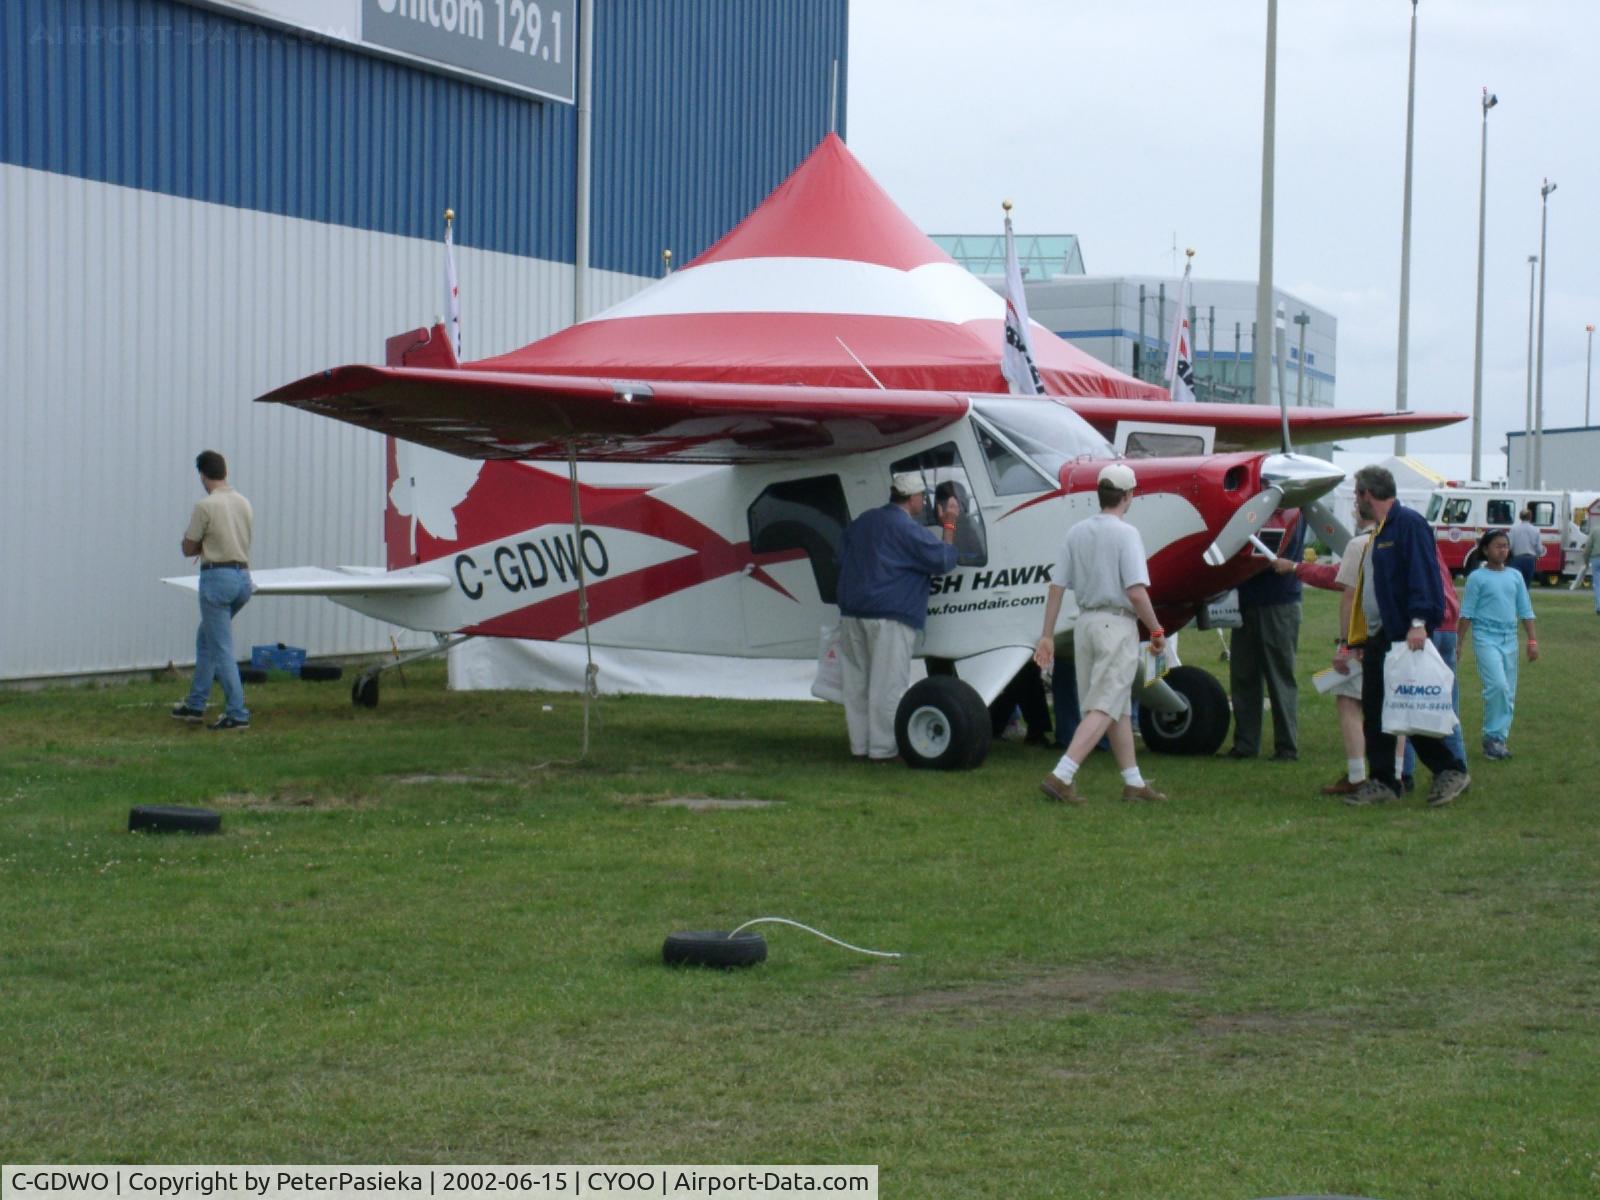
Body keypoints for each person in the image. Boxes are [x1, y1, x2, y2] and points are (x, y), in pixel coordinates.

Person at [1033, 462, 1168, 804]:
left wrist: (1047, 634)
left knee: (1115, 703)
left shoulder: (1076, 531)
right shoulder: (1127, 534)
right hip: (1116, 624)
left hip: (1085, 624)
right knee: (1105, 705)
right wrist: (1156, 629)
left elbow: (1057, 586)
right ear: (1127, 496)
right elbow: (1136, 591)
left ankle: (1133, 782)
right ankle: (1062, 774)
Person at [1343, 465, 1470, 807]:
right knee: (1378, 710)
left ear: (1369, 494)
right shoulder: (1381, 531)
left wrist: (1418, 622)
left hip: (1402, 633)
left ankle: (1451, 768)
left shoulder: (1408, 525)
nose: (1356, 502)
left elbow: (1422, 573)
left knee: (1408, 708)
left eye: (1357, 495)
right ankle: (1384, 781)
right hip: (1378, 635)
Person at [835, 471, 958, 762]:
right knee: (887, 685)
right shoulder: (907, 528)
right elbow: (943, 559)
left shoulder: (864, 521)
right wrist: (950, 523)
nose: (923, 502)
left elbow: (840, 557)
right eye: (922, 498)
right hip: (890, 615)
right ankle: (883, 749)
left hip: (852, 612)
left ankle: (860, 746)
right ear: (913, 498)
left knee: (857, 684)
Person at [1274, 506, 1371, 795]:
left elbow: (1347, 590)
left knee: (1348, 702)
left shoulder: (1360, 544)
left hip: (1365, 636)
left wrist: (1346, 644)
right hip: (1400, 634)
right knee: (1392, 707)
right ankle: (1399, 772)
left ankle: (1358, 775)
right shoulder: (1404, 539)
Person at [172, 450, 254, 731]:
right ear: (224, 472)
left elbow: (188, 547)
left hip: (216, 578)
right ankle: (195, 703)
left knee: (221, 647)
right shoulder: (243, 502)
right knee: (206, 639)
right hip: (243, 577)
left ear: (203, 475)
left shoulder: (205, 506)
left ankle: (237, 712)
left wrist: (195, 544)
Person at [1225, 513, 1307, 761]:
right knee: (1243, 674)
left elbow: (1260, 557)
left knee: (1279, 675)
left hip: (1277, 602)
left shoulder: (1287, 514)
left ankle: (1286, 747)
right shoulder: (1260, 512)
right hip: (1249, 600)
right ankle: (1246, 744)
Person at [1458, 528, 1538, 760]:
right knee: (1498, 686)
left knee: (1508, 690)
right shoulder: (1477, 577)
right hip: (1485, 638)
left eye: (1505, 546)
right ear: (1485, 549)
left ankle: (1498, 740)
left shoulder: (1515, 576)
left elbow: (1525, 610)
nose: (1503, 550)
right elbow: (1467, 612)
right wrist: (1459, 642)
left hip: (1509, 638)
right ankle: (1492, 736)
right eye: (1497, 546)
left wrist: (1532, 640)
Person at [1508, 508, 1541, 584]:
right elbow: (1538, 548)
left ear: (1520, 517)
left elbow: (1510, 545)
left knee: (1515, 582)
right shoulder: (1536, 530)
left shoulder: (1513, 529)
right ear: (1530, 517)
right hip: (1530, 559)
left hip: (1516, 559)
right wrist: (1538, 555)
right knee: (1526, 583)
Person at [1586, 516, 1600, 615]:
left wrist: (1585, 560)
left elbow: (1588, 546)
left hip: (1596, 558)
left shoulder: (1595, 530)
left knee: (1597, 584)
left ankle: (1599, 607)